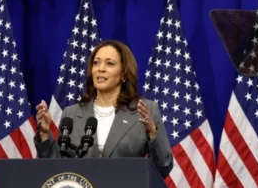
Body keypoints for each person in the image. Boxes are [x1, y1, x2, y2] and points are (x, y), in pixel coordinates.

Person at [33, 40, 173, 178]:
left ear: (123, 74)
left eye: (109, 63)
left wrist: (153, 133)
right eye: (96, 63)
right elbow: (59, 170)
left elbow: (162, 168)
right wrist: (45, 134)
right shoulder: (72, 113)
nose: (101, 68)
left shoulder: (145, 111)